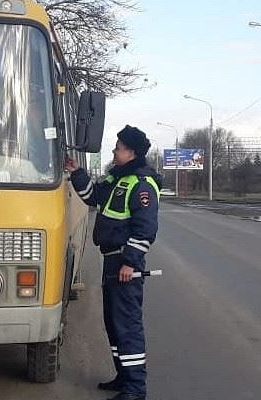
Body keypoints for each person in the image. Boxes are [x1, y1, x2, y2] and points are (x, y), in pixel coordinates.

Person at [65, 125, 162, 400]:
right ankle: (123, 377)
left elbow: (145, 229)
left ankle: (135, 389)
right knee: (113, 322)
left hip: (124, 263)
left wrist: (130, 263)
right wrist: (76, 173)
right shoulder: (118, 178)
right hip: (111, 261)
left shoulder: (142, 184)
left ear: (131, 152)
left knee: (127, 325)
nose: (114, 150)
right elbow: (92, 197)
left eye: (118, 147)